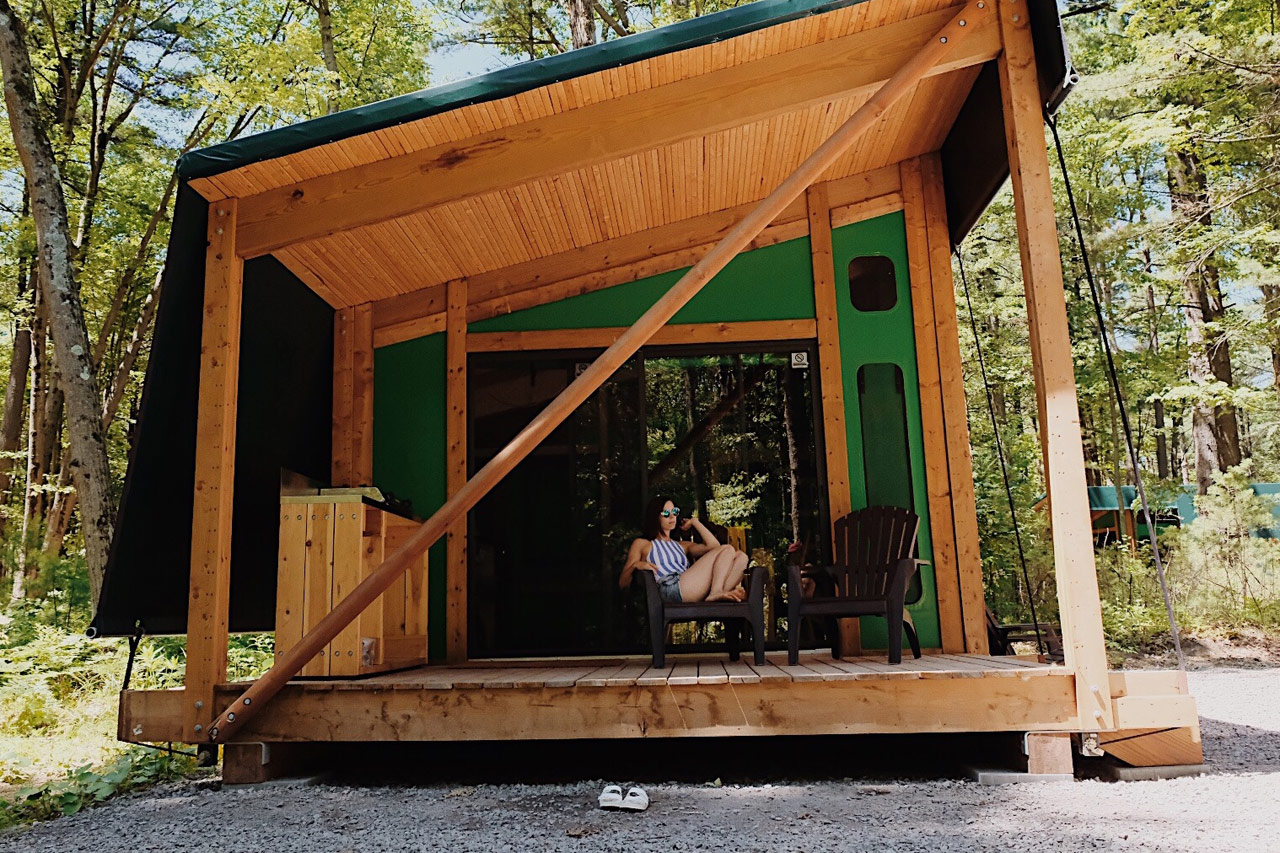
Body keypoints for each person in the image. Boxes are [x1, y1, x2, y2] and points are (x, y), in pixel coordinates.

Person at [618, 496, 748, 603]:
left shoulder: (682, 545)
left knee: (742, 557)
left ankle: (717, 594)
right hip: (670, 588)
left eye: (674, 512)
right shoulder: (643, 543)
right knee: (728, 549)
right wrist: (636, 565)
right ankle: (716, 592)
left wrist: (694, 522)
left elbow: (713, 546)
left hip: (692, 588)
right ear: (655, 516)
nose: (672, 517)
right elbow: (622, 582)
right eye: (666, 513)